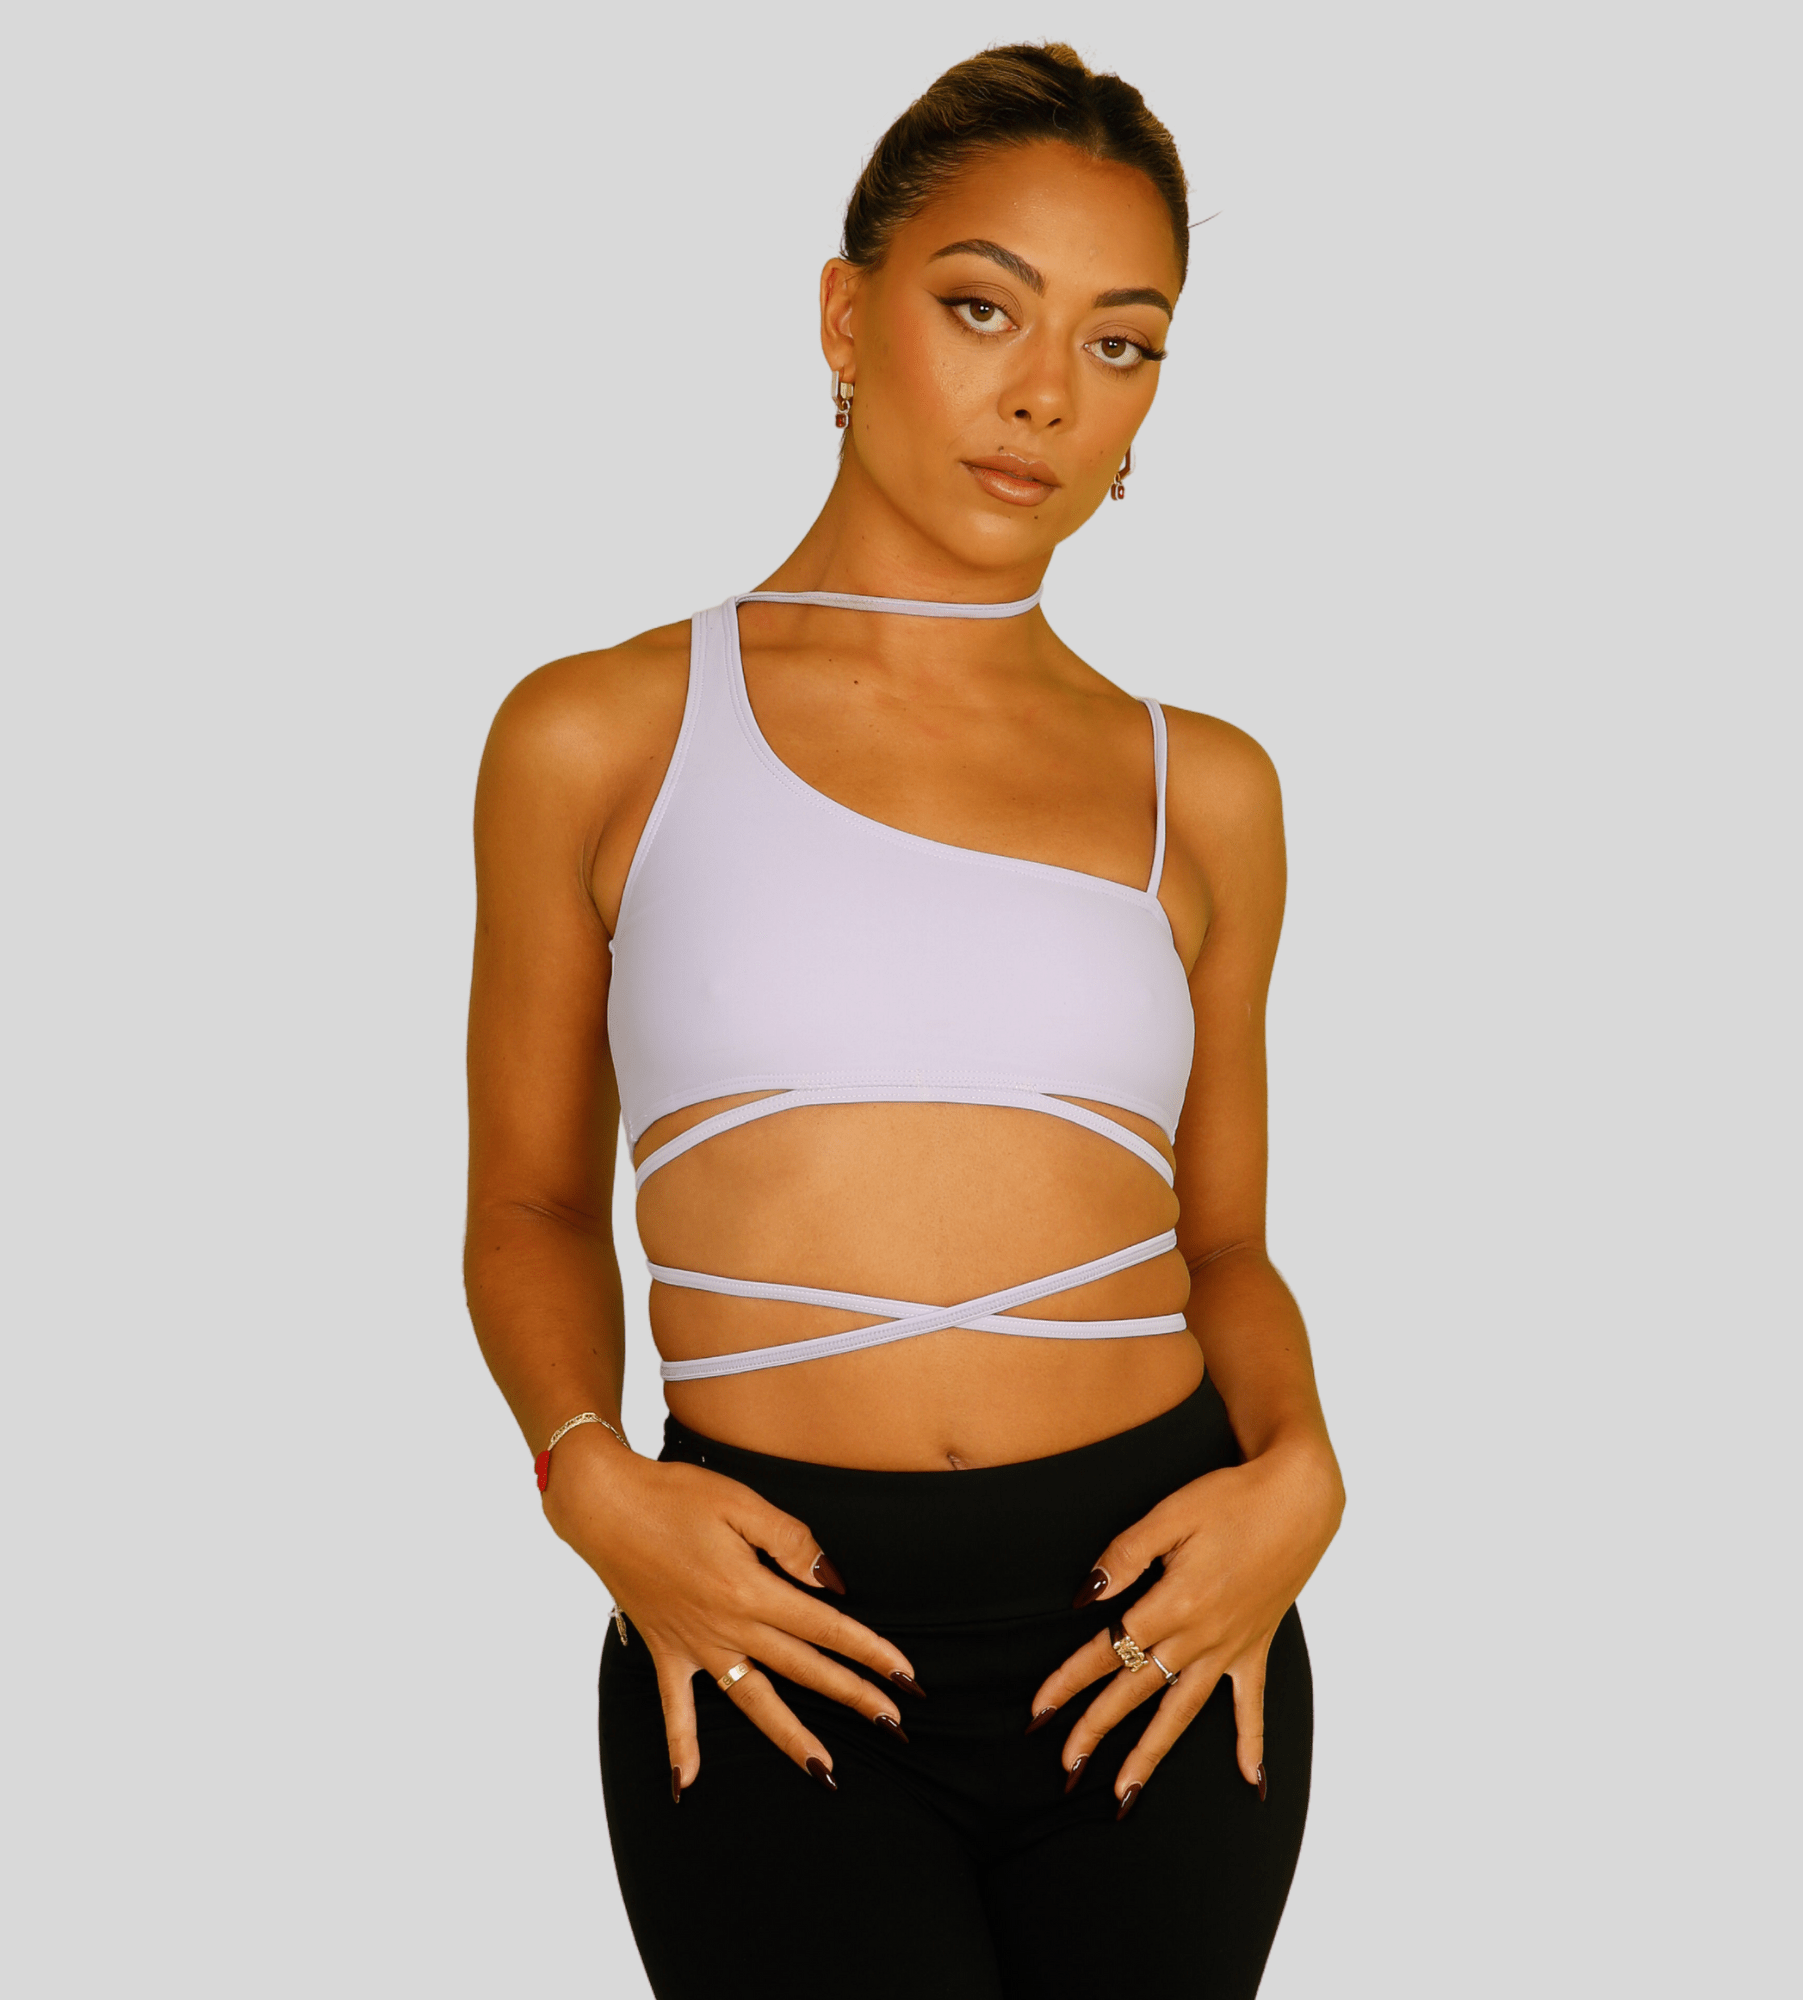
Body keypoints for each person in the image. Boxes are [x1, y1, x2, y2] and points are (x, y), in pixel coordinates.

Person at [465, 43, 1345, 1999]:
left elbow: (1222, 1249)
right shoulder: (597, 734)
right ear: (846, 317)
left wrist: (1301, 1470)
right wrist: (590, 1480)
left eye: (1121, 345)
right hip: (765, 1629)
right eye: (982, 308)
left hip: (1154, 1632)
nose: (1046, 396)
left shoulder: (1204, 789)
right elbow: (527, 1203)